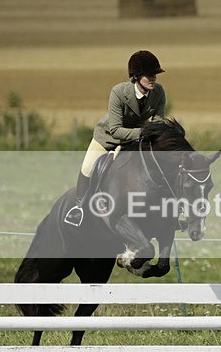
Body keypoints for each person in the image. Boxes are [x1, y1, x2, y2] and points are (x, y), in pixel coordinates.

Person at [64, 50, 167, 226]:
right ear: (136, 76)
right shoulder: (119, 92)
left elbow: (158, 122)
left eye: (154, 75)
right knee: (87, 167)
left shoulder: (158, 92)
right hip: (108, 138)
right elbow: (116, 129)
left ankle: (169, 207)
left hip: (137, 140)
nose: (153, 78)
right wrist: (143, 133)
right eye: (148, 75)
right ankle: (78, 209)